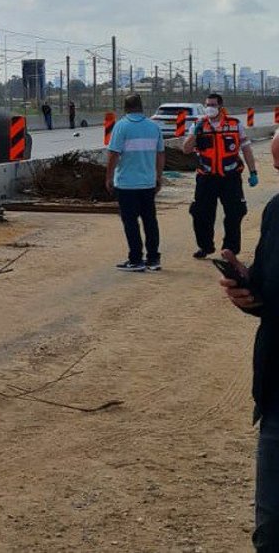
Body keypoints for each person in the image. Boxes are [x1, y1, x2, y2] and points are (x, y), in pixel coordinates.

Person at [218, 131, 278, 549]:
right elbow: (267, 294)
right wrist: (247, 293)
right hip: (277, 396)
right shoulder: (277, 212)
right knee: (271, 530)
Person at [183, 92, 259, 259]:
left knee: (235, 213)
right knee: (200, 213)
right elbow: (186, 149)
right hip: (206, 177)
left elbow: (246, 149)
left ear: (220, 107)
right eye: (207, 105)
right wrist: (194, 133)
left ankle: (230, 249)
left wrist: (253, 171)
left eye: (213, 105)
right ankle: (205, 246)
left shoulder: (234, 124)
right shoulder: (199, 125)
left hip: (230, 177)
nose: (209, 108)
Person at [105, 93, 165, 271]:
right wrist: (158, 177)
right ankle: (153, 259)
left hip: (126, 184)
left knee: (131, 222)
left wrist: (108, 177)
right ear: (141, 107)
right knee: (150, 221)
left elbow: (113, 154)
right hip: (148, 183)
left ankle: (136, 259)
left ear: (125, 108)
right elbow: (161, 153)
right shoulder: (154, 127)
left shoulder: (121, 126)